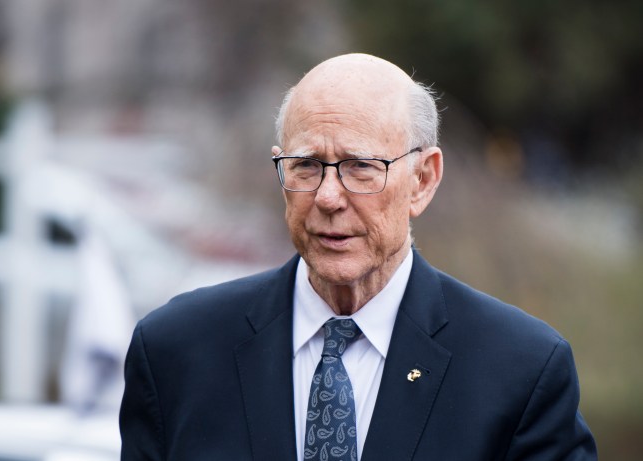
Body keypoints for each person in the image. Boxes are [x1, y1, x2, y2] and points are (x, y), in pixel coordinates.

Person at [119, 53, 597, 460]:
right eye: (306, 165)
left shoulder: (520, 371)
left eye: (361, 167)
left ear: (423, 180)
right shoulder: (176, 353)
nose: (328, 196)